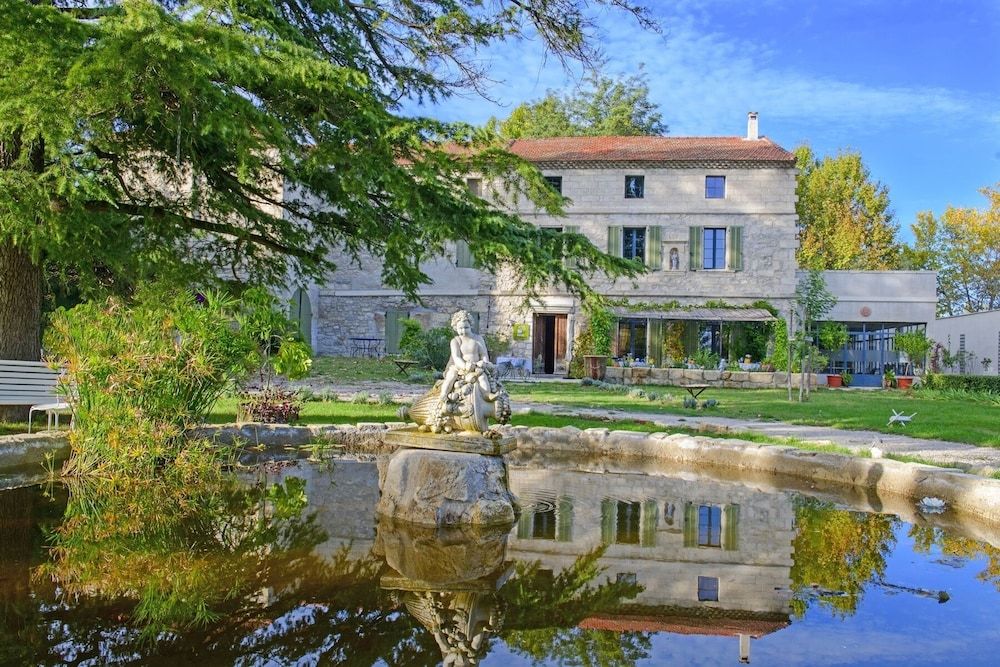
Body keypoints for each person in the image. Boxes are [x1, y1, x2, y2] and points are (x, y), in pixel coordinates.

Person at [438, 310, 495, 405]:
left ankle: (487, 394)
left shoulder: (478, 339)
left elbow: (483, 354)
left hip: (476, 367)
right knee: (451, 376)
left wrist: (484, 362)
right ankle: (444, 394)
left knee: (482, 378)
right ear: (455, 328)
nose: (463, 331)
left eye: (466, 327)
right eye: (460, 328)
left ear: (471, 326)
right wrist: (465, 366)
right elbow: (456, 357)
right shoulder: (456, 341)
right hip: (459, 367)